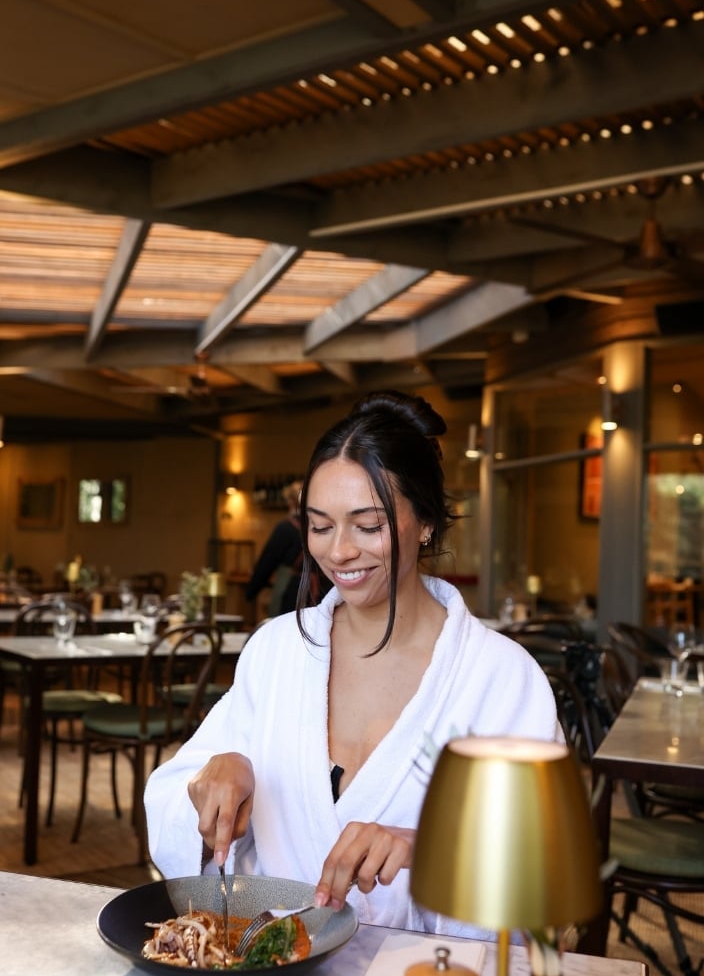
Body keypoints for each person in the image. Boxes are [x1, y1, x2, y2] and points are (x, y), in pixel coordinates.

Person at [145, 390, 561, 936]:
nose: (339, 551)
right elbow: (171, 796)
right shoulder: (277, 652)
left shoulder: (502, 679)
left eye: (367, 526)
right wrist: (214, 779)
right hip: (272, 968)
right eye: (320, 527)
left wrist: (425, 847)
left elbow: (548, 861)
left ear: (427, 522)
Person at [244, 480, 306, 617]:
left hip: (290, 592)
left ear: (290, 501)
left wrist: (251, 591)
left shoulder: (285, 528)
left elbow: (267, 562)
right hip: (320, 593)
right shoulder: (321, 527)